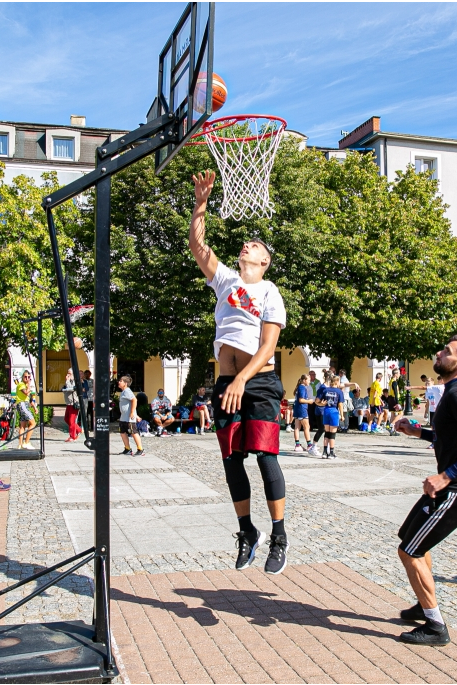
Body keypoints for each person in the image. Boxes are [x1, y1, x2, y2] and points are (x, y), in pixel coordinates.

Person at [190, 169, 289, 575]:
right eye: (245, 243)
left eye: (253, 245)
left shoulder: (269, 292)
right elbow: (198, 247)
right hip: (228, 383)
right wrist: (201, 203)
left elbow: (269, 346)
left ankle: (280, 535)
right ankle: (247, 531)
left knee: (264, 457)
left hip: (259, 380)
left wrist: (244, 379)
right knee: (232, 459)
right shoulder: (226, 281)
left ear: (262, 261)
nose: (245, 245)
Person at [392, 336, 457, 646]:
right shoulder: (454, 391)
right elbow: (451, 438)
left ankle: (435, 626)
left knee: (410, 550)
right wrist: (418, 431)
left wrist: (446, 477)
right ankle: (425, 605)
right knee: (410, 541)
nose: (438, 353)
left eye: (446, 352)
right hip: (451, 488)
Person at [316, 375, 346, 459]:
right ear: (336, 382)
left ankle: (325, 452)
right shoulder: (339, 392)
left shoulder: (325, 390)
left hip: (326, 411)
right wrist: (342, 415)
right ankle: (331, 452)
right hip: (334, 412)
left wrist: (321, 404)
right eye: (339, 381)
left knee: (326, 433)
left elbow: (317, 401)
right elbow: (340, 404)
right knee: (332, 434)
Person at [117, 376, 145, 456]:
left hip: (129, 418)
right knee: (122, 432)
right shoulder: (123, 392)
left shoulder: (127, 391)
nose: (119, 382)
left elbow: (134, 400)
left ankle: (140, 449)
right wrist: (136, 415)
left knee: (133, 432)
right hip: (123, 417)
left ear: (125, 383)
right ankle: (127, 448)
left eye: (121, 381)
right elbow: (129, 404)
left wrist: (132, 413)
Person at [14, 370, 37, 450]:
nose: (27, 378)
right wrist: (29, 385)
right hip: (22, 404)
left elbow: (30, 399)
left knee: (22, 426)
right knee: (33, 423)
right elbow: (26, 393)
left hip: (25, 405)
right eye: (25, 377)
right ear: (22, 377)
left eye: (29, 377)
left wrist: (34, 408)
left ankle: (20, 445)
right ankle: (26, 442)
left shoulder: (26, 385)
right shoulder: (21, 384)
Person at [292, 375, 314, 452]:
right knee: (306, 427)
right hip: (302, 409)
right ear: (304, 380)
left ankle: (297, 445)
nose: (309, 381)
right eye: (308, 380)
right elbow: (301, 400)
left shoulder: (300, 387)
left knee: (297, 427)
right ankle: (309, 445)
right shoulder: (302, 388)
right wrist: (309, 401)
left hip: (297, 409)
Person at [61, 369, 81, 442]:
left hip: (74, 403)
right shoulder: (69, 381)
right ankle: (79, 430)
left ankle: (72, 436)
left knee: (71, 421)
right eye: (67, 373)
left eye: (70, 373)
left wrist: (67, 381)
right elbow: (65, 389)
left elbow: (70, 388)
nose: (68, 375)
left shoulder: (75, 382)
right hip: (68, 403)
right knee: (66, 419)